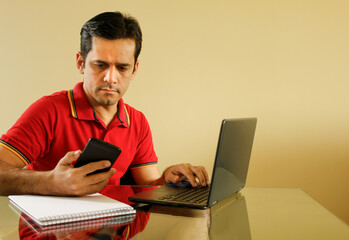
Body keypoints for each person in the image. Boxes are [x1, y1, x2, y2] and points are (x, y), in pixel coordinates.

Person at [0, 12, 209, 196]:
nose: (111, 77)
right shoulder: (49, 110)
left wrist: (167, 178)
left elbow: (148, 188)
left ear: (134, 69)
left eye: (122, 68)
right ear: (81, 63)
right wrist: (50, 182)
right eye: (100, 65)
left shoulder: (137, 122)